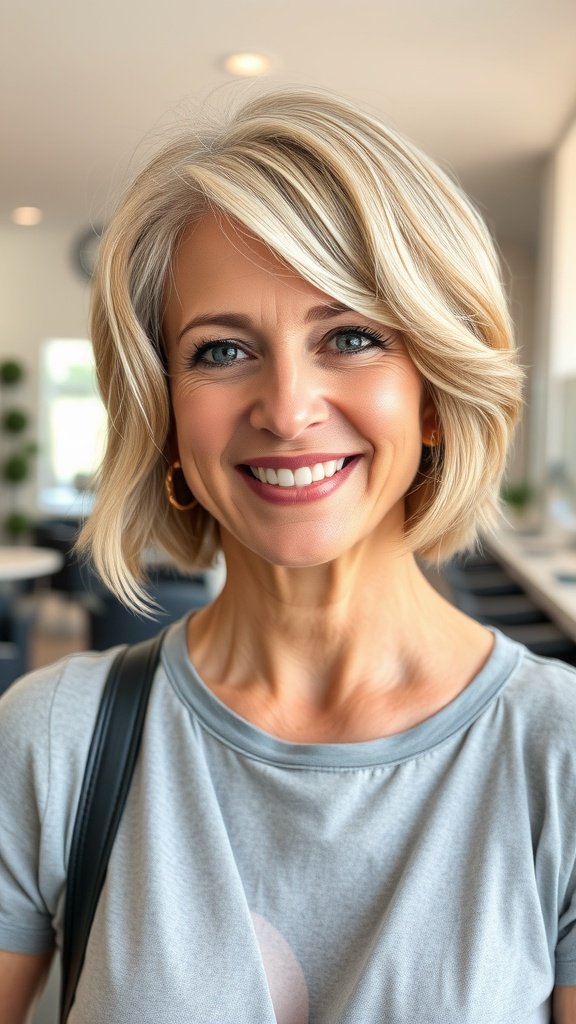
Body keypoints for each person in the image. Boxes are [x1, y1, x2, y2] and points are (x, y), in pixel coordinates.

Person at [0, 87, 575, 1024]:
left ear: (432, 392)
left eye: (351, 337)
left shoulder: (558, 757)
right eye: (222, 351)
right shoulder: (51, 739)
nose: (288, 407)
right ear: (165, 411)